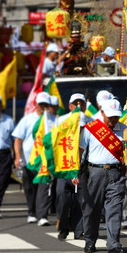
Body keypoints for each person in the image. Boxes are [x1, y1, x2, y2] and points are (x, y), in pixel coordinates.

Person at [75, 99, 127, 253]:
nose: (113, 120)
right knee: (91, 209)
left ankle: (114, 244)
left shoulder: (125, 131)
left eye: (116, 116)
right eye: (110, 117)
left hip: (116, 174)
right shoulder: (91, 129)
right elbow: (80, 151)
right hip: (94, 173)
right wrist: (76, 172)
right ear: (102, 113)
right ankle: (89, 240)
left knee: (115, 208)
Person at [12, 92, 55, 226]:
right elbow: (18, 139)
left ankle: (42, 215)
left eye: (45, 104)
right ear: (35, 104)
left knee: (44, 186)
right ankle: (32, 212)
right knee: (30, 188)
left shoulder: (53, 119)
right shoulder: (27, 119)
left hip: (45, 161)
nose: (43, 107)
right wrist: (18, 156)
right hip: (29, 160)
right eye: (41, 104)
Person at [55, 93, 91, 241]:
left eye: (81, 103)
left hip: (83, 167)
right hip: (65, 167)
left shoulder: (92, 122)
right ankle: (63, 227)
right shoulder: (61, 121)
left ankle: (79, 230)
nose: (78, 106)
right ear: (69, 106)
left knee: (81, 200)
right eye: (75, 103)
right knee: (63, 198)